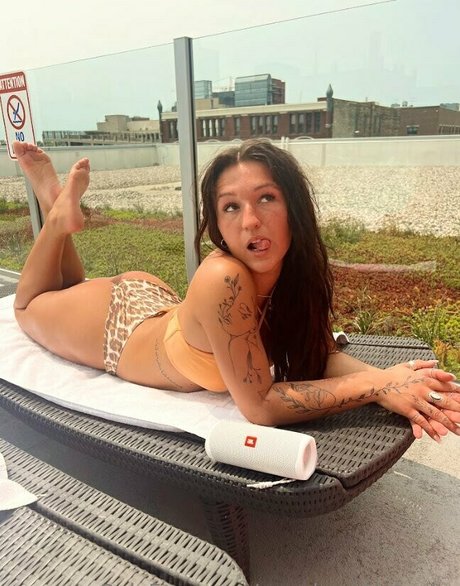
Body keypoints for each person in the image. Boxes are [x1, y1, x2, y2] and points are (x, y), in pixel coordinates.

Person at [12, 140, 460, 443]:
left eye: (266, 198)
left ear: (293, 206)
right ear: (218, 225)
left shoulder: (293, 270)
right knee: (27, 306)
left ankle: (56, 208)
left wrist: (392, 382)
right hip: (116, 328)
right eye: (231, 207)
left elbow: (319, 353)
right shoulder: (223, 278)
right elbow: (260, 406)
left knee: (64, 286)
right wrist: (376, 383)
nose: (250, 221)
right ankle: (56, 213)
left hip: (155, 303)